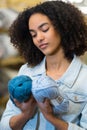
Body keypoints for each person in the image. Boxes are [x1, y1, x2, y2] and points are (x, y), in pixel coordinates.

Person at [0, 0, 87, 130]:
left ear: (63, 28)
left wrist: (51, 118)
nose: (38, 38)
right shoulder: (26, 71)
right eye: (33, 34)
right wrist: (25, 114)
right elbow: (4, 126)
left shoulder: (84, 79)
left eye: (44, 29)